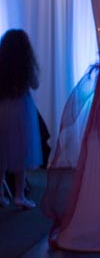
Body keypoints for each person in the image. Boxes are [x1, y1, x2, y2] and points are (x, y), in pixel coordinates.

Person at [0, 29, 42, 210]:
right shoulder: (26, 65)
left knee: (2, 152)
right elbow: (35, 84)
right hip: (22, 109)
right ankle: (19, 195)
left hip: (2, 108)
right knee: (21, 152)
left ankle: (1, 195)